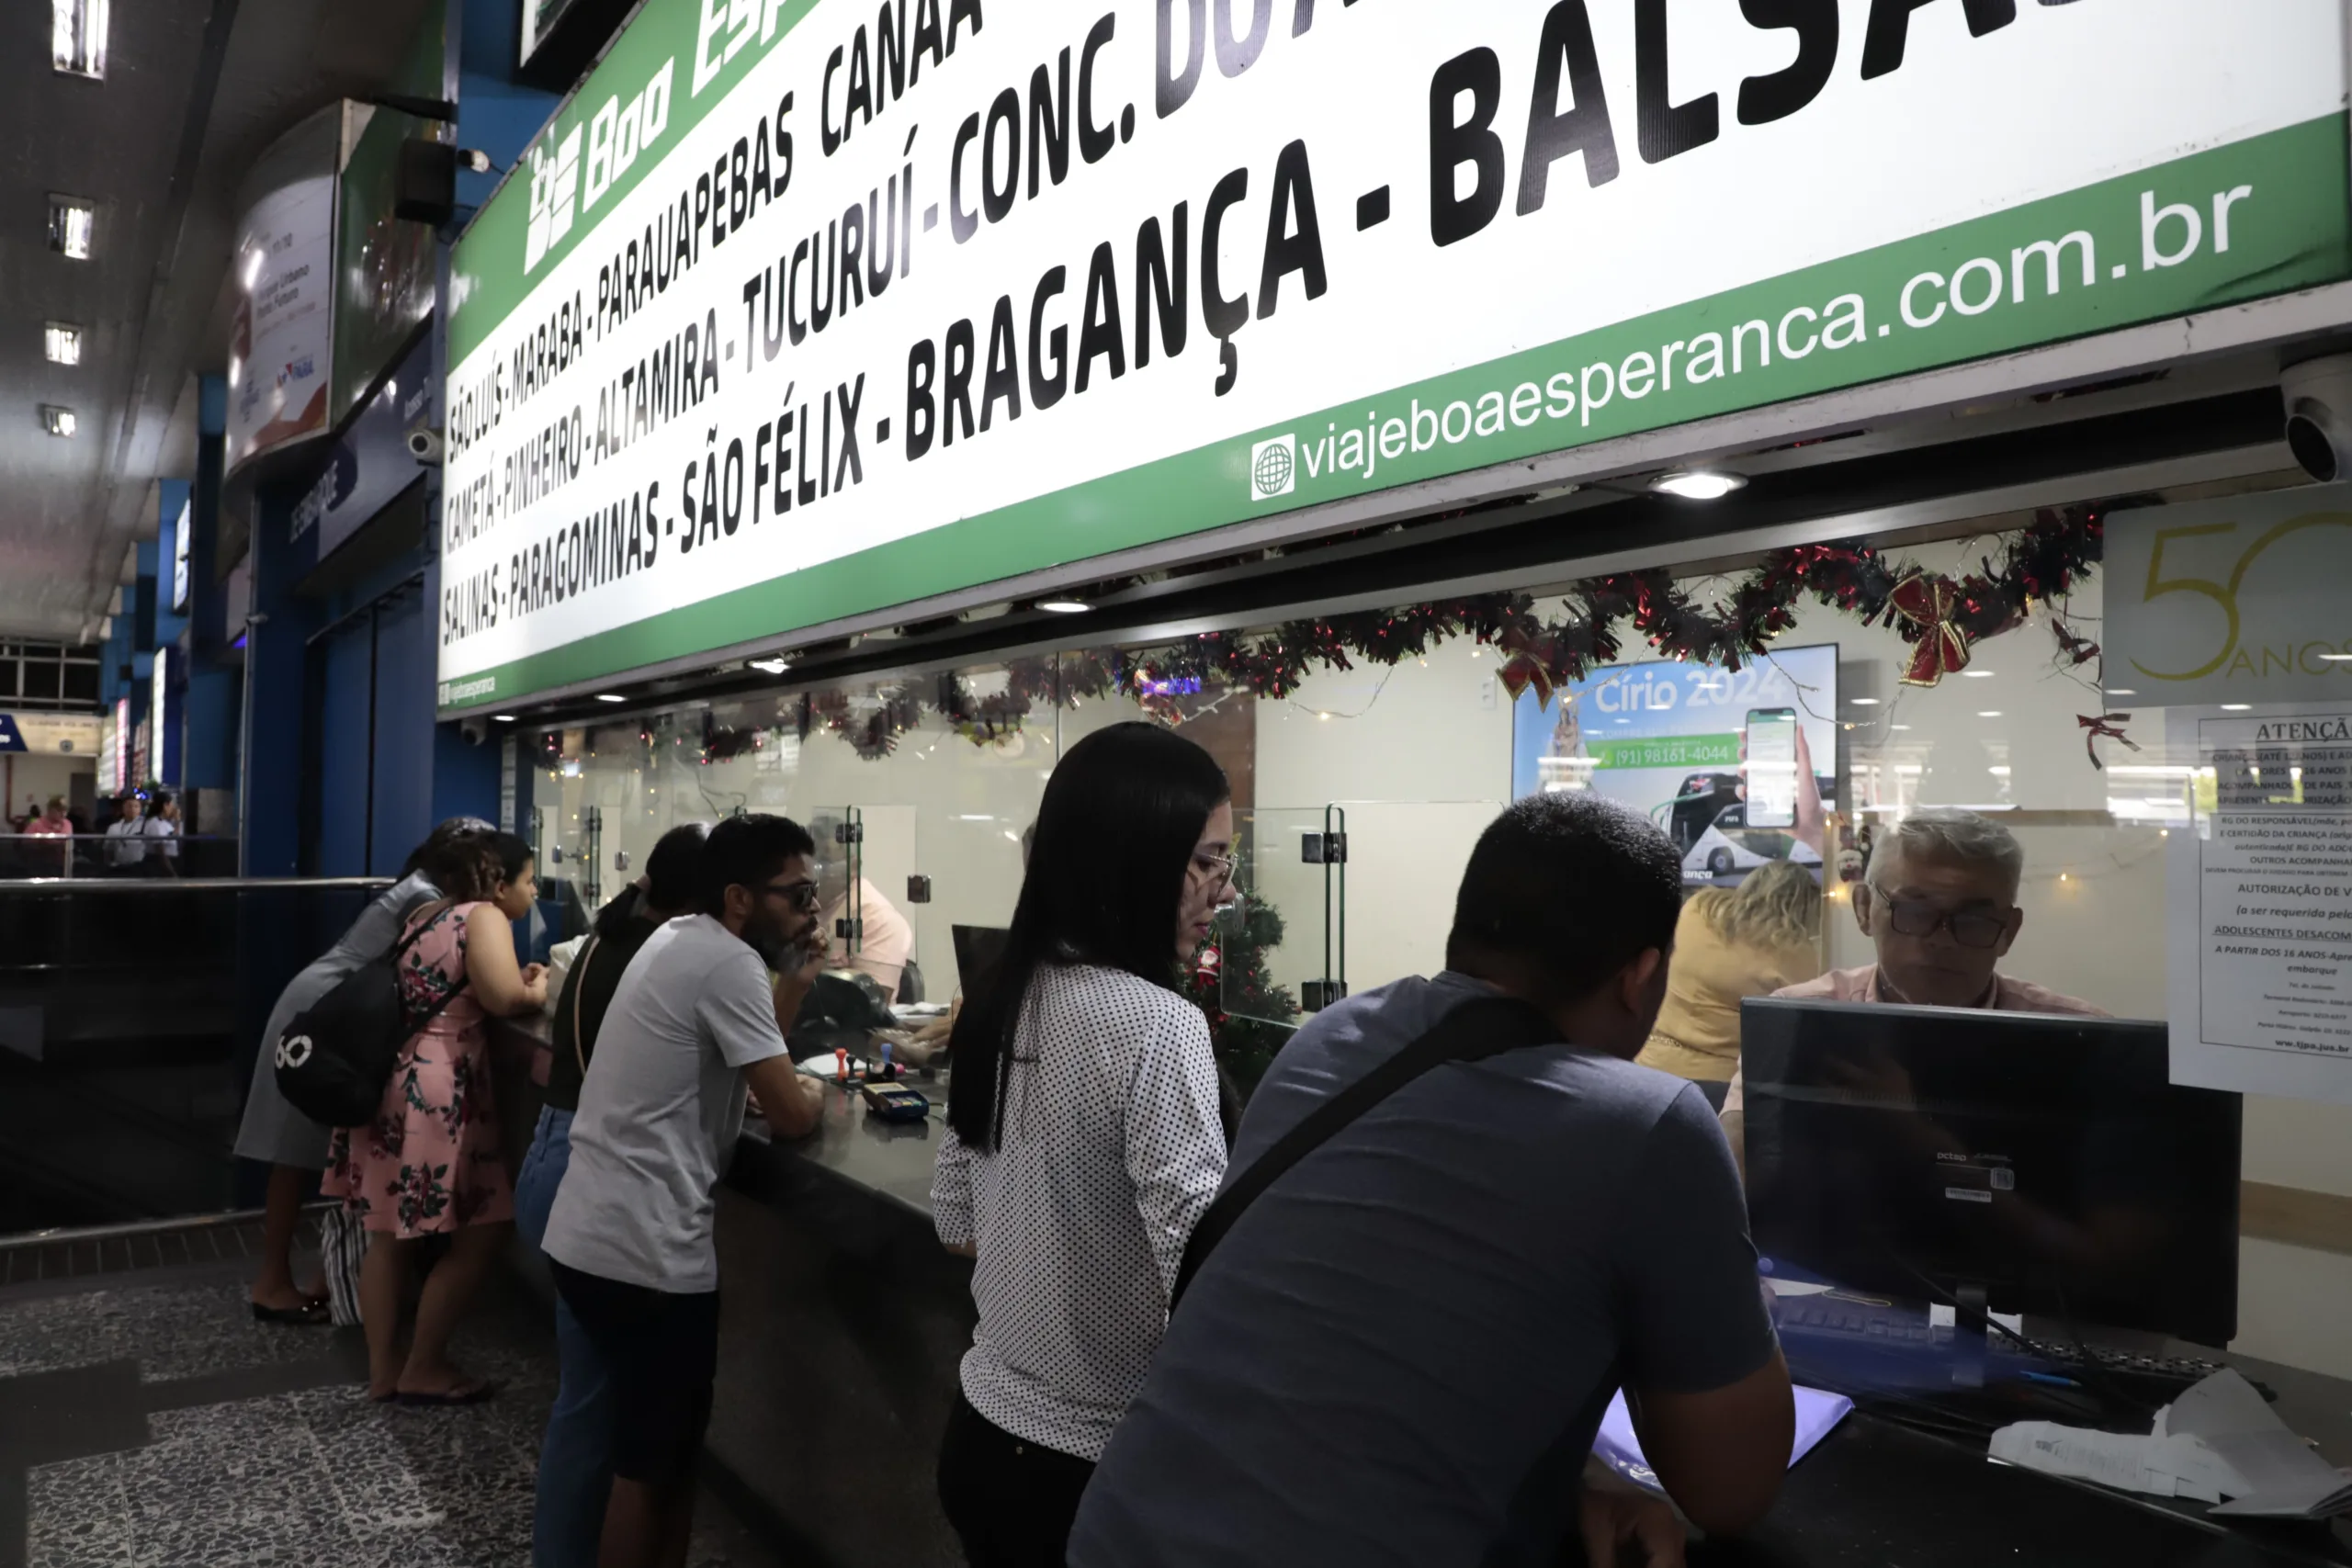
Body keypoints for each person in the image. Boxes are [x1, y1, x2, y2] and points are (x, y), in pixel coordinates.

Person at [1069, 793, 1794, 1568]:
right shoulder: (1650, 1122)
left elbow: (1342, 1343)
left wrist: (1577, 1467)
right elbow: (1730, 1491)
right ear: (1641, 975)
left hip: (1119, 1533)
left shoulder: (1328, 1041)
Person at [930, 723, 1233, 1568]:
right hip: (1093, 1467)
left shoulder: (1000, 991)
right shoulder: (1154, 1024)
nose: (1222, 889)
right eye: (1206, 861)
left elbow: (957, 1221)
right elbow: (1202, 1274)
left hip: (983, 1434)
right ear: (1136, 861)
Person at [540, 814, 829, 1568]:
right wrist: (814, 1097)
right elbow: (793, 1112)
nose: (812, 912)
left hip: (593, 1234)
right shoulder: (726, 963)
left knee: (653, 1460)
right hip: (649, 1255)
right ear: (739, 896)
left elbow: (749, 1054)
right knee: (649, 1473)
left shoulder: (682, 939)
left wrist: (793, 984)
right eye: (797, 895)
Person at [514, 821, 708, 1568]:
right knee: (595, 1413)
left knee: (589, 1403)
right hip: (585, 1170)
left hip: (553, 1152)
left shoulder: (609, 937)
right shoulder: (657, 959)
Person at [1718, 807, 2104, 1172]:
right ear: (1864, 909)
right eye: (1915, 911)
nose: (1942, 940)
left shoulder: (2083, 1043)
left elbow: (2110, 1237)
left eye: (1973, 918)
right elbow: (1735, 1181)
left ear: (2009, 932)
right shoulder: (1793, 1021)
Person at [234, 817, 496, 1323]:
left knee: (312, 1154)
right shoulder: (427, 898)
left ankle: (318, 1278)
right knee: (295, 1153)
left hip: (326, 1009)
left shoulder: (417, 886)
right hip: (325, 1019)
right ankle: (274, 1283)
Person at [323, 829, 547, 1404]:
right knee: (483, 1232)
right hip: (438, 1090)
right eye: (528, 880)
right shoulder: (486, 917)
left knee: (388, 1239)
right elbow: (501, 999)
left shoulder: (426, 913)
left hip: (392, 1080)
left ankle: (383, 1370)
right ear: (500, 884)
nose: (534, 890)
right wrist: (536, 988)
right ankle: (423, 1365)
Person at [1636, 860, 1824, 1104]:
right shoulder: (1796, 955)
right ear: (1805, 908)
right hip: (1717, 1090)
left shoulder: (1697, 909)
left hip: (1649, 1064)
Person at [808, 818, 917, 998]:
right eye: (810, 860)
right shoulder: (797, 903)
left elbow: (869, 1006)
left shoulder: (878, 918)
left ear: (853, 867)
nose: (815, 869)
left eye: (825, 861)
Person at [21, 796, 73, 877]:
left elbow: (68, 843)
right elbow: (25, 844)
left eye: (65, 810)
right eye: (59, 810)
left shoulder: (67, 824)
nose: (63, 814)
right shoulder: (36, 825)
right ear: (50, 810)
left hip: (64, 868)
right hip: (41, 867)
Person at [102, 794, 150, 874]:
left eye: (136, 806)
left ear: (140, 809)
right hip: (118, 866)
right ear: (123, 808)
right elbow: (107, 849)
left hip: (139, 867)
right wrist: (109, 864)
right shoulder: (114, 827)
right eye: (129, 806)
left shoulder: (146, 824)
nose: (132, 809)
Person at [142, 791, 182, 876]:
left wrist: (177, 820)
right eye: (171, 805)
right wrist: (171, 873)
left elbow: (173, 836)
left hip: (169, 860)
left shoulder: (164, 823)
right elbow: (161, 852)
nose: (173, 808)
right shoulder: (155, 823)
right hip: (158, 865)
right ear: (165, 806)